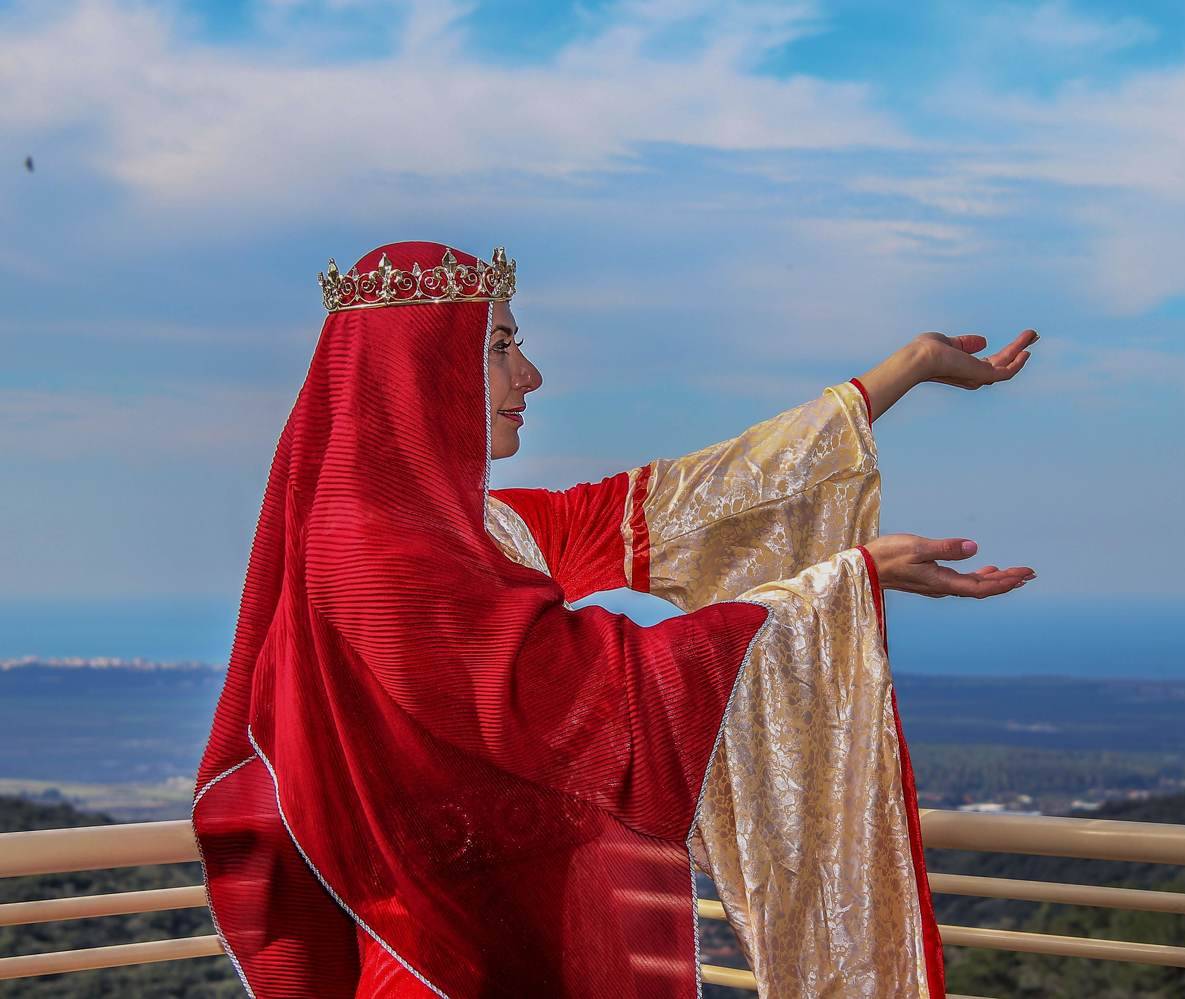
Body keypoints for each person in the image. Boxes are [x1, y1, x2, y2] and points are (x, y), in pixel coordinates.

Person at [192, 240, 1037, 999]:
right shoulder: (372, 555)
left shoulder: (478, 531)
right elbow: (597, 689)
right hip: (446, 967)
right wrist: (849, 579)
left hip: (522, 947)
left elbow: (695, 500)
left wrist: (905, 371)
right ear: (417, 369)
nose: (529, 375)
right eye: (499, 345)